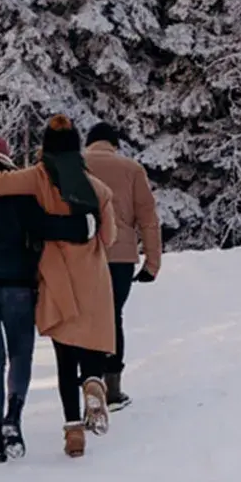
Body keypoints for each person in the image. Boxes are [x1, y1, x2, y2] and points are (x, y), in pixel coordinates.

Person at [0, 116, 117, 460]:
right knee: (90, 347)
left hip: (57, 278)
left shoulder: (38, 176)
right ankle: (93, 381)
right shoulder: (98, 188)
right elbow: (110, 237)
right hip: (92, 276)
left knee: (64, 356)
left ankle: (73, 431)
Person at [83, 122, 161, 409]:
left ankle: (89, 380)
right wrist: (152, 263)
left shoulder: (75, 166)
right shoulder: (131, 169)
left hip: (83, 254)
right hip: (121, 257)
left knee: (86, 318)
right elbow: (148, 219)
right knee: (113, 316)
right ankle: (113, 388)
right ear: (114, 144)